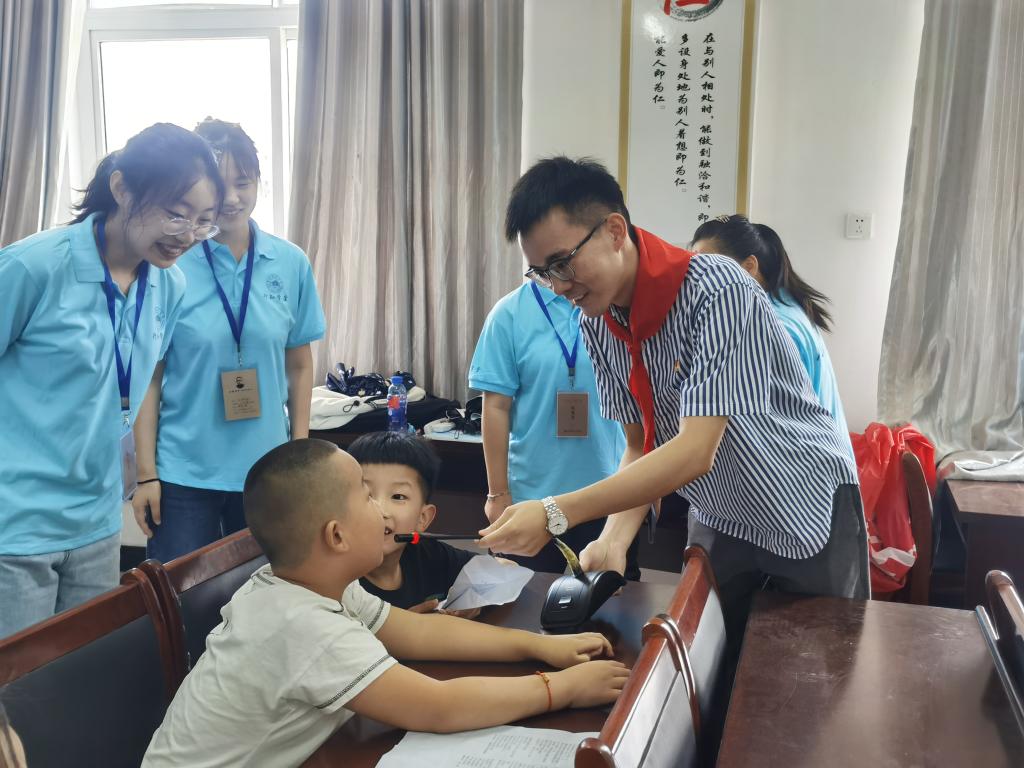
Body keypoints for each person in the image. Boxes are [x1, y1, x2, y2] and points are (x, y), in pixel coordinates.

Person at [478, 157, 868, 658]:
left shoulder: (718, 288)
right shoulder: (598, 321)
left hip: (800, 501)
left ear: (614, 231)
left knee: (815, 670)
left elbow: (695, 450)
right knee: (714, 663)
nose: (557, 286)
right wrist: (614, 539)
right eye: (541, 273)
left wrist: (556, 512)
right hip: (723, 510)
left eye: (562, 264)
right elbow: (641, 443)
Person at [142, 439, 629, 768]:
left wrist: (536, 646)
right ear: (336, 536)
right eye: (364, 495)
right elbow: (437, 706)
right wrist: (562, 689)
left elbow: (419, 631)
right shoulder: (302, 625)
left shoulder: (313, 584)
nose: (381, 510)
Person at [0, 123, 223, 638]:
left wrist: (141, 476)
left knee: (85, 672)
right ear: (122, 189)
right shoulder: (35, 267)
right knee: (21, 681)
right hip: (15, 526)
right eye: (175, 213)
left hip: (96, 522)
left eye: (202, 222)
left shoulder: (170, 284)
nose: (187, 235)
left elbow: (131, 390)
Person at [133, 119, 325, 562]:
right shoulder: (169, 264)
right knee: (181, 595)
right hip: (183, 473)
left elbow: (299, 364)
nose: (233, 198)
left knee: (266, 592)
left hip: (268, 472)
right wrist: (146, 475)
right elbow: (149, 378)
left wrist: (298, 454)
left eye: (244, 182)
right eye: (221, 185)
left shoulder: (290, 262)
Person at [470, 280, 638, 576]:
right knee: (525, 595)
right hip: (532, 500)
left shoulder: (614, 305)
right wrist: (497, 493)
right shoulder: (509, 313)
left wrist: (647, 484)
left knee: (610, 595)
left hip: (610, 495)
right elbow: (495, 407)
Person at [690, 214, 853, 457]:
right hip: (825, 456)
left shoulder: (774, 326)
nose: (697, 279)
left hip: (811, 465)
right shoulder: (784, 304)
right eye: (694, 267)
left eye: (708, 268)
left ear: (749, 266)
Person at [349, 431, 480, 616]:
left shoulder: (427, 554)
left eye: (398, 496)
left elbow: (505, 568)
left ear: (422, 518)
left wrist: (474, 601)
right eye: (367, 495)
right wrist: (412, 627)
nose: (380, 510)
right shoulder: (339, 583)